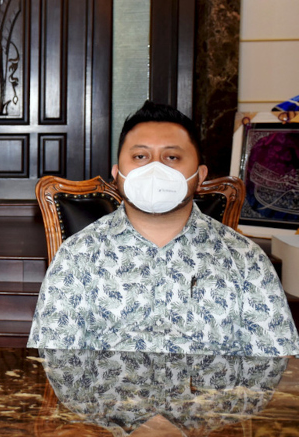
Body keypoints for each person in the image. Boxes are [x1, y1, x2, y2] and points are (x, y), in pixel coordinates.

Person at [29, 101, 299, 356]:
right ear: (117, 172)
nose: (155, 169)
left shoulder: (245, 259)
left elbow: (274, 364)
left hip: (211, 405)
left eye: (171, 156)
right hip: (110, 404)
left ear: (200, 175)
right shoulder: (78, 255)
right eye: (140, 156)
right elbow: (57, 363)